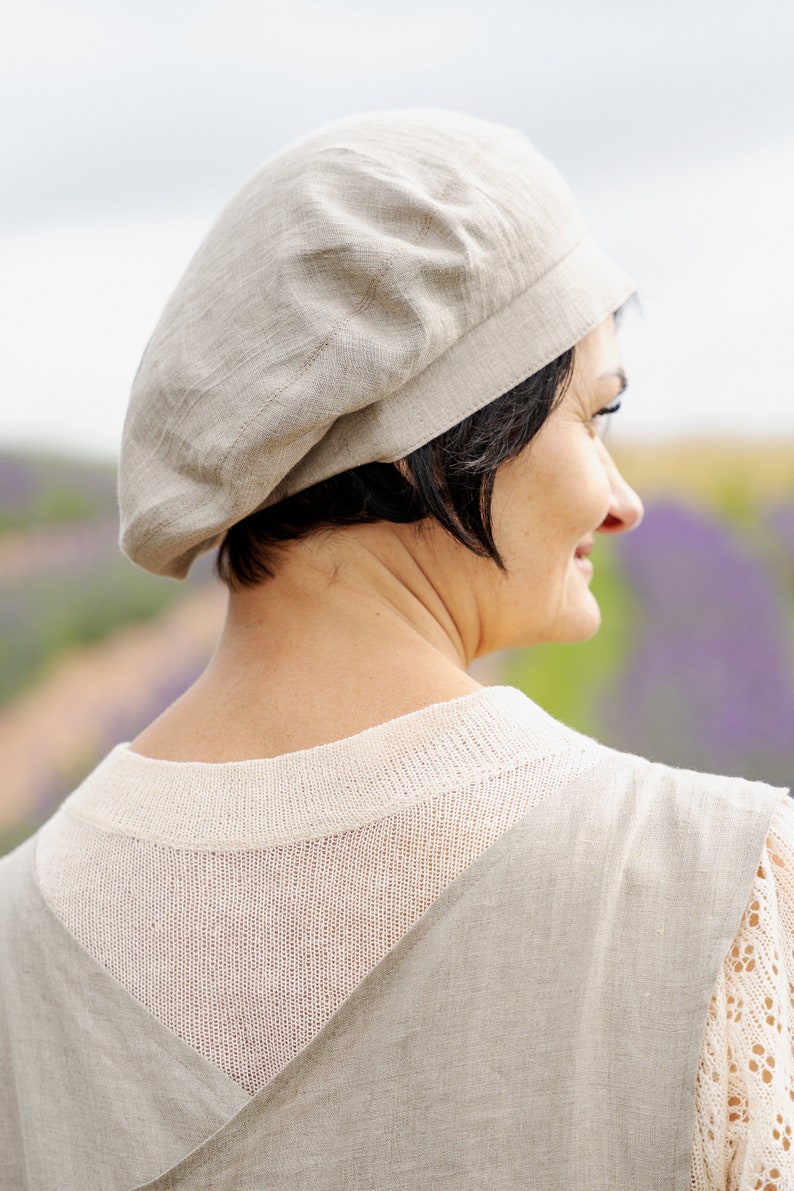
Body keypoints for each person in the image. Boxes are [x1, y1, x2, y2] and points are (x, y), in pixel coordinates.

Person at [0, 109, 792, 1190]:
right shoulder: (718, 886)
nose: (621, 503)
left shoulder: (16, 948)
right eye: (592, 418)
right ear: (437, 443)